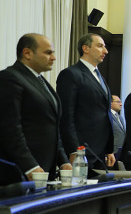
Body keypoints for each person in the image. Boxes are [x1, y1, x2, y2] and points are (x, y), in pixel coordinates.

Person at [0, 33, 71, 184]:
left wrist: (63, 161)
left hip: (44, 170)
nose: (54, 58)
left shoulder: (40, 80)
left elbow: (52, 126)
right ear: (27, 53)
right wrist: (29, 166)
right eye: (48, 53)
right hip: (21, 173)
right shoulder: (9, 78)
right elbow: (10, 129)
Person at [56, 33, 115, 169]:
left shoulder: (99, 76)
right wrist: (73, 150)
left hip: (100, 152)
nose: (105, 51)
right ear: (85, 48)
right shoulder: (71, 74)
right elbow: (66, 116)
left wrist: (109, 149)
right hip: (81, 151)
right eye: (100, 46)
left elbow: (104, 113)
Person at [110, 95, 126, 160]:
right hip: (112, 152)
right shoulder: (107, 116)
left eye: (121, 102)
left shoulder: (120, 118)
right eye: (118, 102)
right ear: (110, 103)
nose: (121, 104)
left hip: (121, 152)